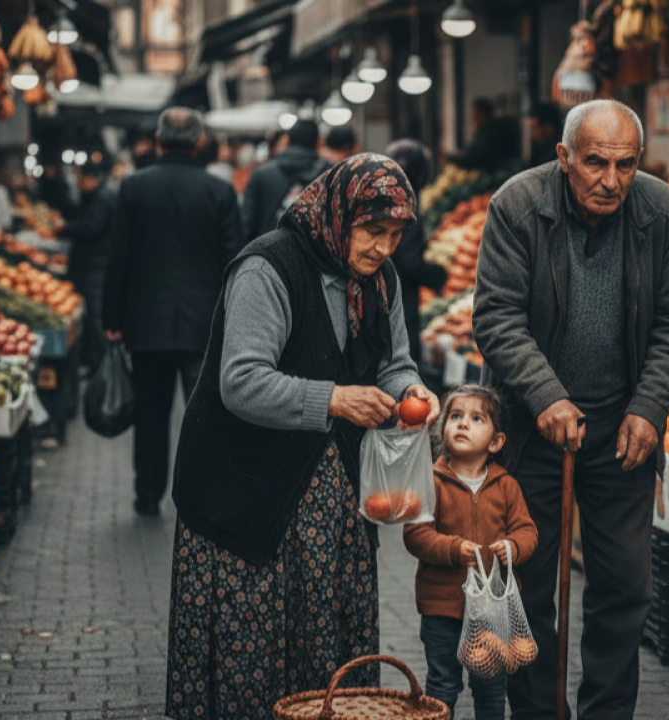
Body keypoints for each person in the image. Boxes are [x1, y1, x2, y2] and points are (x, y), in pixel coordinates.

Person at [165, 153, 440, 719]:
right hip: (247, 496)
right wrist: (335, 398)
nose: (384, 248)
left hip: (333, 499)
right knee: (255, 656)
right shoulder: (269, 268)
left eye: (394, 235)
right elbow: (240, 382)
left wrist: (414, 389)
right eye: (373, 231)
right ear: (340, 214)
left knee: (326, 654)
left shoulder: (382, 280)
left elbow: (395, 361)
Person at [472, 99, 669, 720]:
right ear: (564, 158)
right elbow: (495, 317)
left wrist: (650, 408)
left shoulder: (662, 212)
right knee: (527, 584)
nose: (611, 179)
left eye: (626, 164)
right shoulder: (518, 206)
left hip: (621, 433)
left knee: (625, 588)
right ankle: (540, 712)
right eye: (596, 162)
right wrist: (545, 395)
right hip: (531, 433)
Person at [102, 107, 243, 517]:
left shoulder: (133, 187)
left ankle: (148, 495)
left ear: (160, 140)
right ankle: (205, 495)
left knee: (151, 413)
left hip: (146, 322)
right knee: (206, 414)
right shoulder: (218, 190)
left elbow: (119, 258)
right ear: (199, 141)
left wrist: (111, 319)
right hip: (205, 323)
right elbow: (235, 262)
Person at [404, 384, 538, 720]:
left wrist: (513, 546)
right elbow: (415, 534)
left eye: (476, 418)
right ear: (442, 428)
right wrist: (452, 549)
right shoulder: (430, 481)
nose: (463, 424)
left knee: (491, 687)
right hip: (442, 608)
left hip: (493, 610)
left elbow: (527, 530)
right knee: (442, 686)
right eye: (455, 416)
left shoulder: (506, 485)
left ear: (496, 442)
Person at [385, 139, 448, 361]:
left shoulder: (387, 197)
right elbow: (410, 262)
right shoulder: (406, 204)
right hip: (400, 296)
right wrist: (438, 276)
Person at [56, 161, 117, 371]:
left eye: (80, 179)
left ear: (90, 178)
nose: (79, 183)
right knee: (92, 315)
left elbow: (91, 228)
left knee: (94, 316)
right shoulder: (99, 197)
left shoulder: (101, 199)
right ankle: (94, 361)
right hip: (94, 265)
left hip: (96, 267)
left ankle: (99, 365)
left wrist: (64, 229)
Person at [241, 119, 330, 242]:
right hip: (315, 257)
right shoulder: (332, 174)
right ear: (319, 142)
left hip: (269, 253)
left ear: (287, 140)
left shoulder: (262, 174)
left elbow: (246, 224)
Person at [451, 98, 520, 171]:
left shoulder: (493, 133)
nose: (473, 120)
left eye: (475, 116)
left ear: (482, 115)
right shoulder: (481, 131)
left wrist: (452, 159)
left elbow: (475, 159)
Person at [527, 102, 562, 167]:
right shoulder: (540, 150)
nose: (532, 134)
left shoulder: (558, 154)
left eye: (534, 128)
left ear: (548, 127)